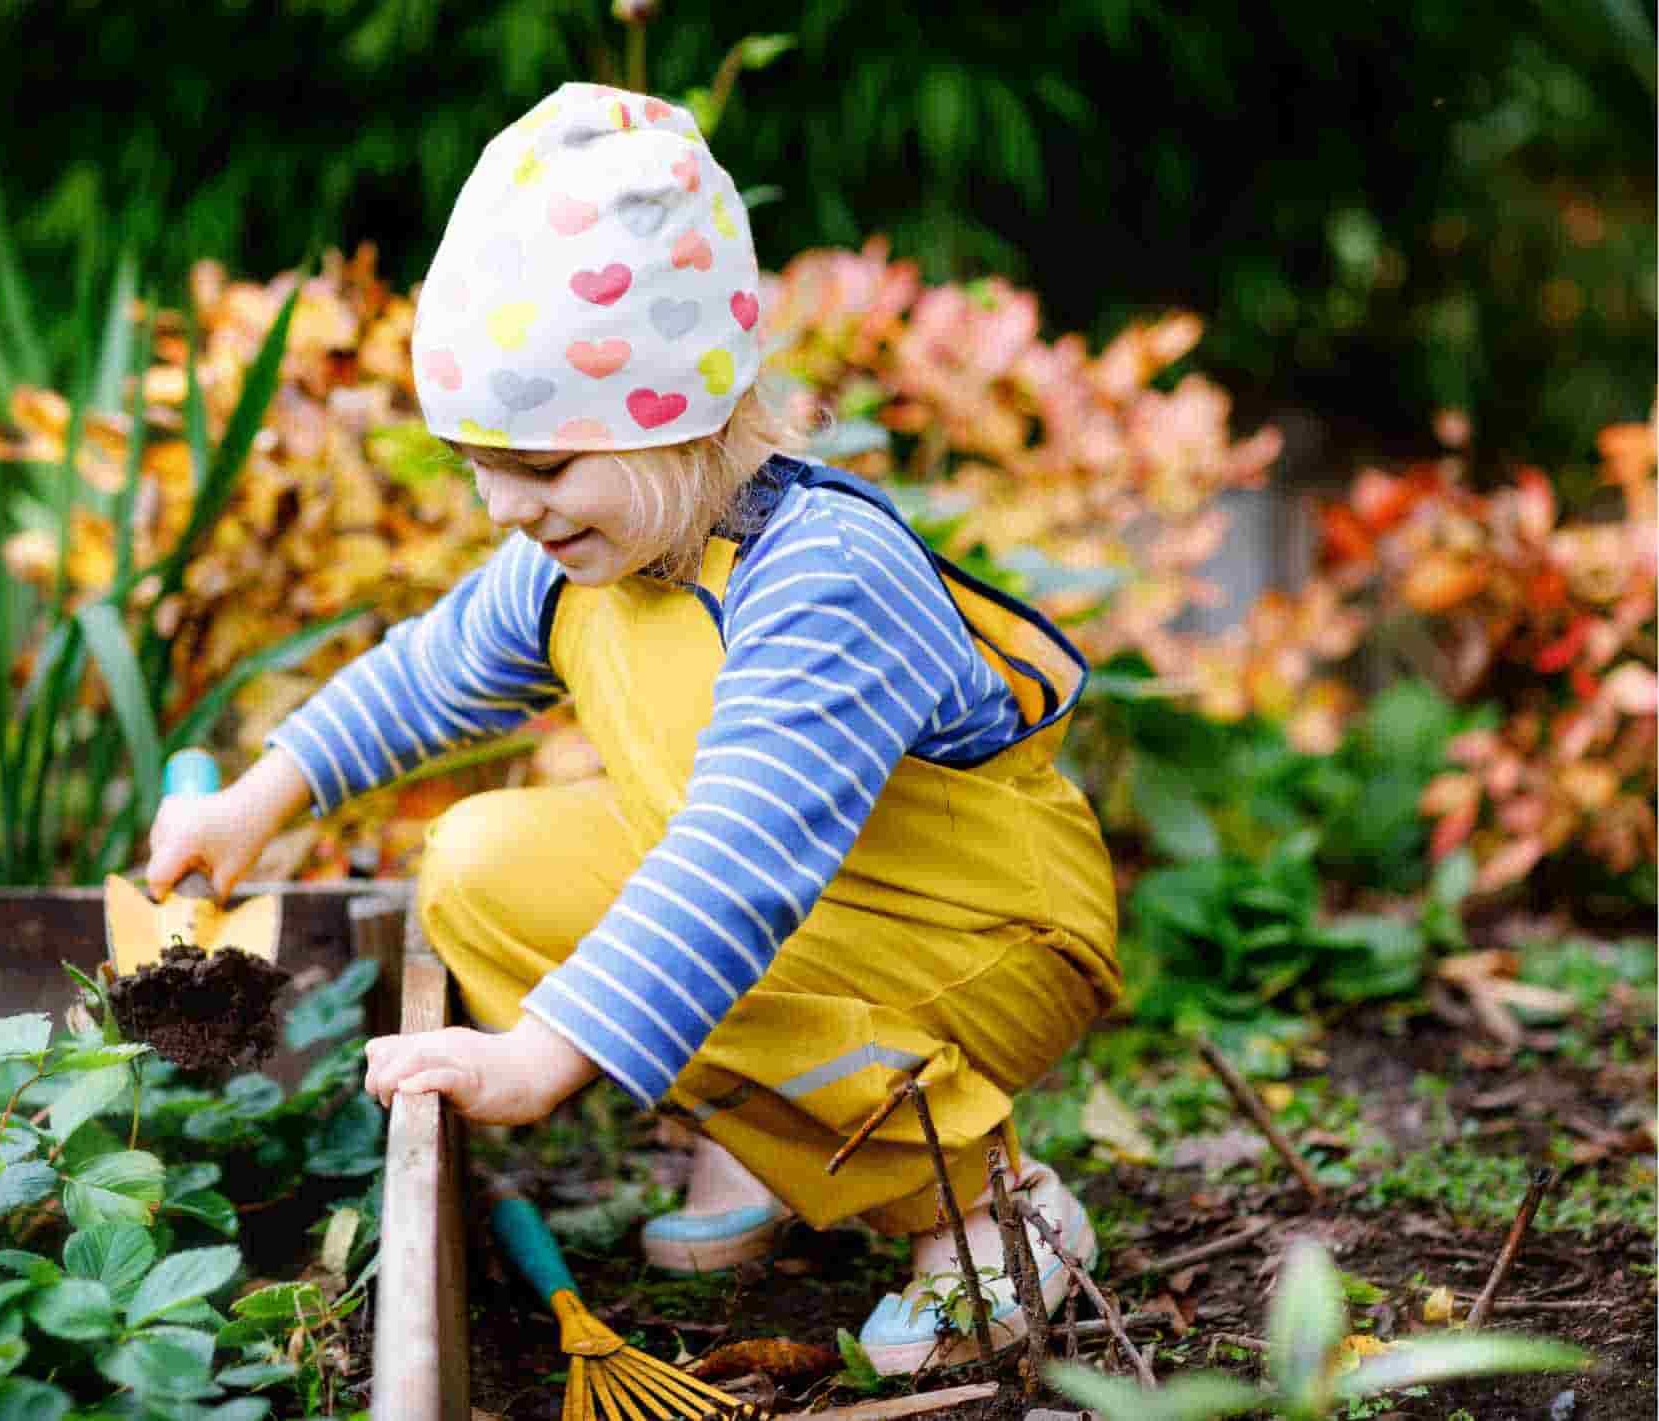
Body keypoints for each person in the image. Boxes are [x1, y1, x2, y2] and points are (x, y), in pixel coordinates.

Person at [145, 81, 1120, 1374]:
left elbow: (738, 862)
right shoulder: (593, 552)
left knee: (688, 956)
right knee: (482, 868)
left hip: (981, 935)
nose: (506, 504)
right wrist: (251, 804)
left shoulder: (817, 573)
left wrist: (543, 1057)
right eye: (478, 462)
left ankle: (988, 1215)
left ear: (687, 416)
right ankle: (778, 1136)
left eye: (542, 465)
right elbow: (426, 673)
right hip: (822, 909)